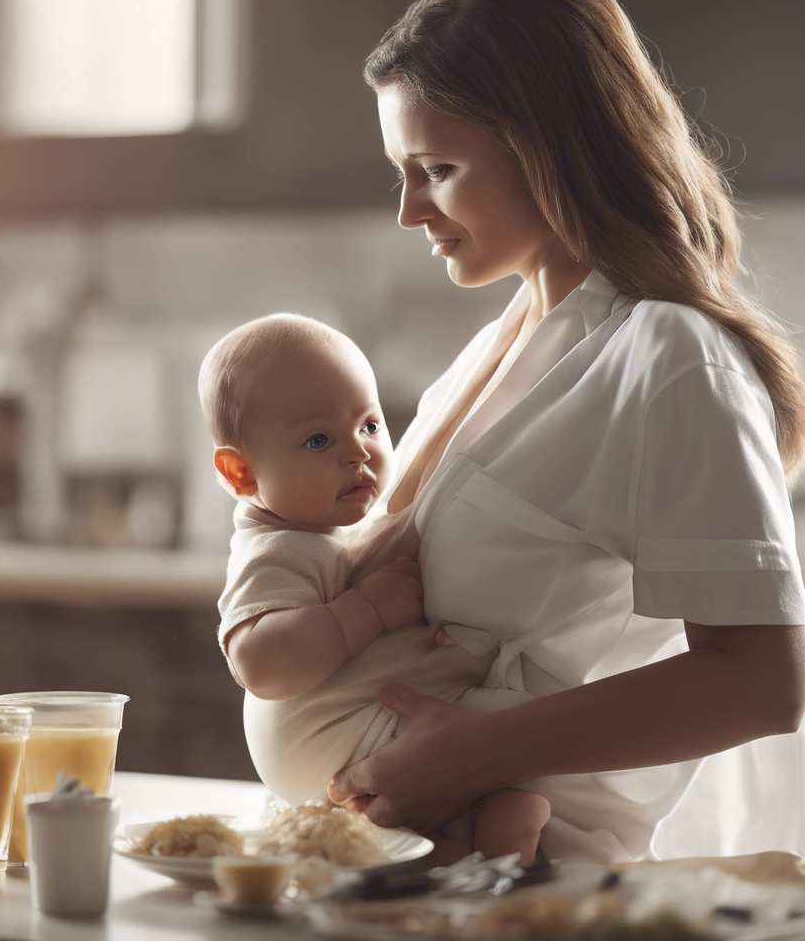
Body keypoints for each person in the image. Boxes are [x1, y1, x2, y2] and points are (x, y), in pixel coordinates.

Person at [326, 0, 805, 864]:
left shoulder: (670, 357)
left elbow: (759, 685)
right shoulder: (497, 348)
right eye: (403, 171)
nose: (409, 211)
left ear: (550, 143)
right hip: (439, 882)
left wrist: (472, 755)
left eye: (436, 167)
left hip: (568, 889)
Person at [198, 312, 552, 863]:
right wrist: (362, 611)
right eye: (318, 440)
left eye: (368, 424)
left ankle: (465, 852)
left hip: (338, 739)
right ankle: (500, 845)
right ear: (241, 474)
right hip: (334, 738)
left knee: (400, 837)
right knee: (514, 726)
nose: (357, 452)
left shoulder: (324, 532)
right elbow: (259, 661)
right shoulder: (277, 548)